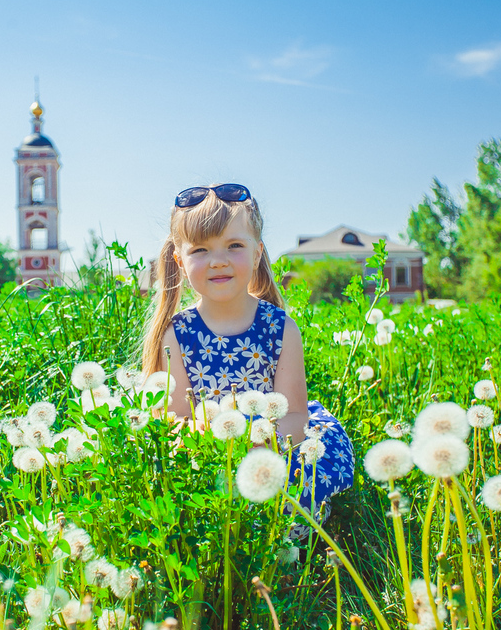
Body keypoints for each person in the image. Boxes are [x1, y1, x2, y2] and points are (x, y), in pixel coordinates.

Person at [139, 183, 355, 532]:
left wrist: (254, 445)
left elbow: (296, 415)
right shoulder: (176, 334)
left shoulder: (281, 328)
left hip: (273, 451)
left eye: (234, 246)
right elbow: (174, 421)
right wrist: (219, 447)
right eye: (201, 250)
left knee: (291, 505)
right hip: (206, 458)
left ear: (257, 254)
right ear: (180, 260)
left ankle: (287, 550)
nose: (218, 260)